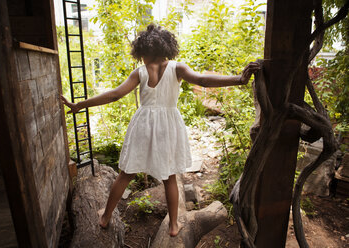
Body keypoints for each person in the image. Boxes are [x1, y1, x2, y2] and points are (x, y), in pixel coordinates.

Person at [61, 24, 260, 237]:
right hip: (168, 126)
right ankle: (174, 226)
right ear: (165, 47)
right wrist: (238, 79)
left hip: (143, 124)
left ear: (143, 50)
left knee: (125, 174)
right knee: (170, 177)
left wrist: (79, 105)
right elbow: (202, 80)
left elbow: (114, 95)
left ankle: (105, 217)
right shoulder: (177, 68)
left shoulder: (140, 72)